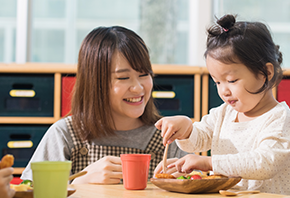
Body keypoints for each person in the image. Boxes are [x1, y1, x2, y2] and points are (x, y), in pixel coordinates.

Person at [154, 14, 290, 196]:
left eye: (231, 80)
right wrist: (186, 129)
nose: (223, 91)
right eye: (217, 82)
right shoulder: (224, 113)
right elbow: (198, 140)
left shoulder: (279, 119)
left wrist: (209, 163)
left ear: (266, 73)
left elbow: (264, 162)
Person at [21, 26, 187, 184]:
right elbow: (29, 191)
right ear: (95, 83)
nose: (138, 87)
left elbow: (198, 192)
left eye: (144, 75)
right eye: (123, 78)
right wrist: (80, 182)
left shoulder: (168, 136)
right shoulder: (65, 134)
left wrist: (185, 183)